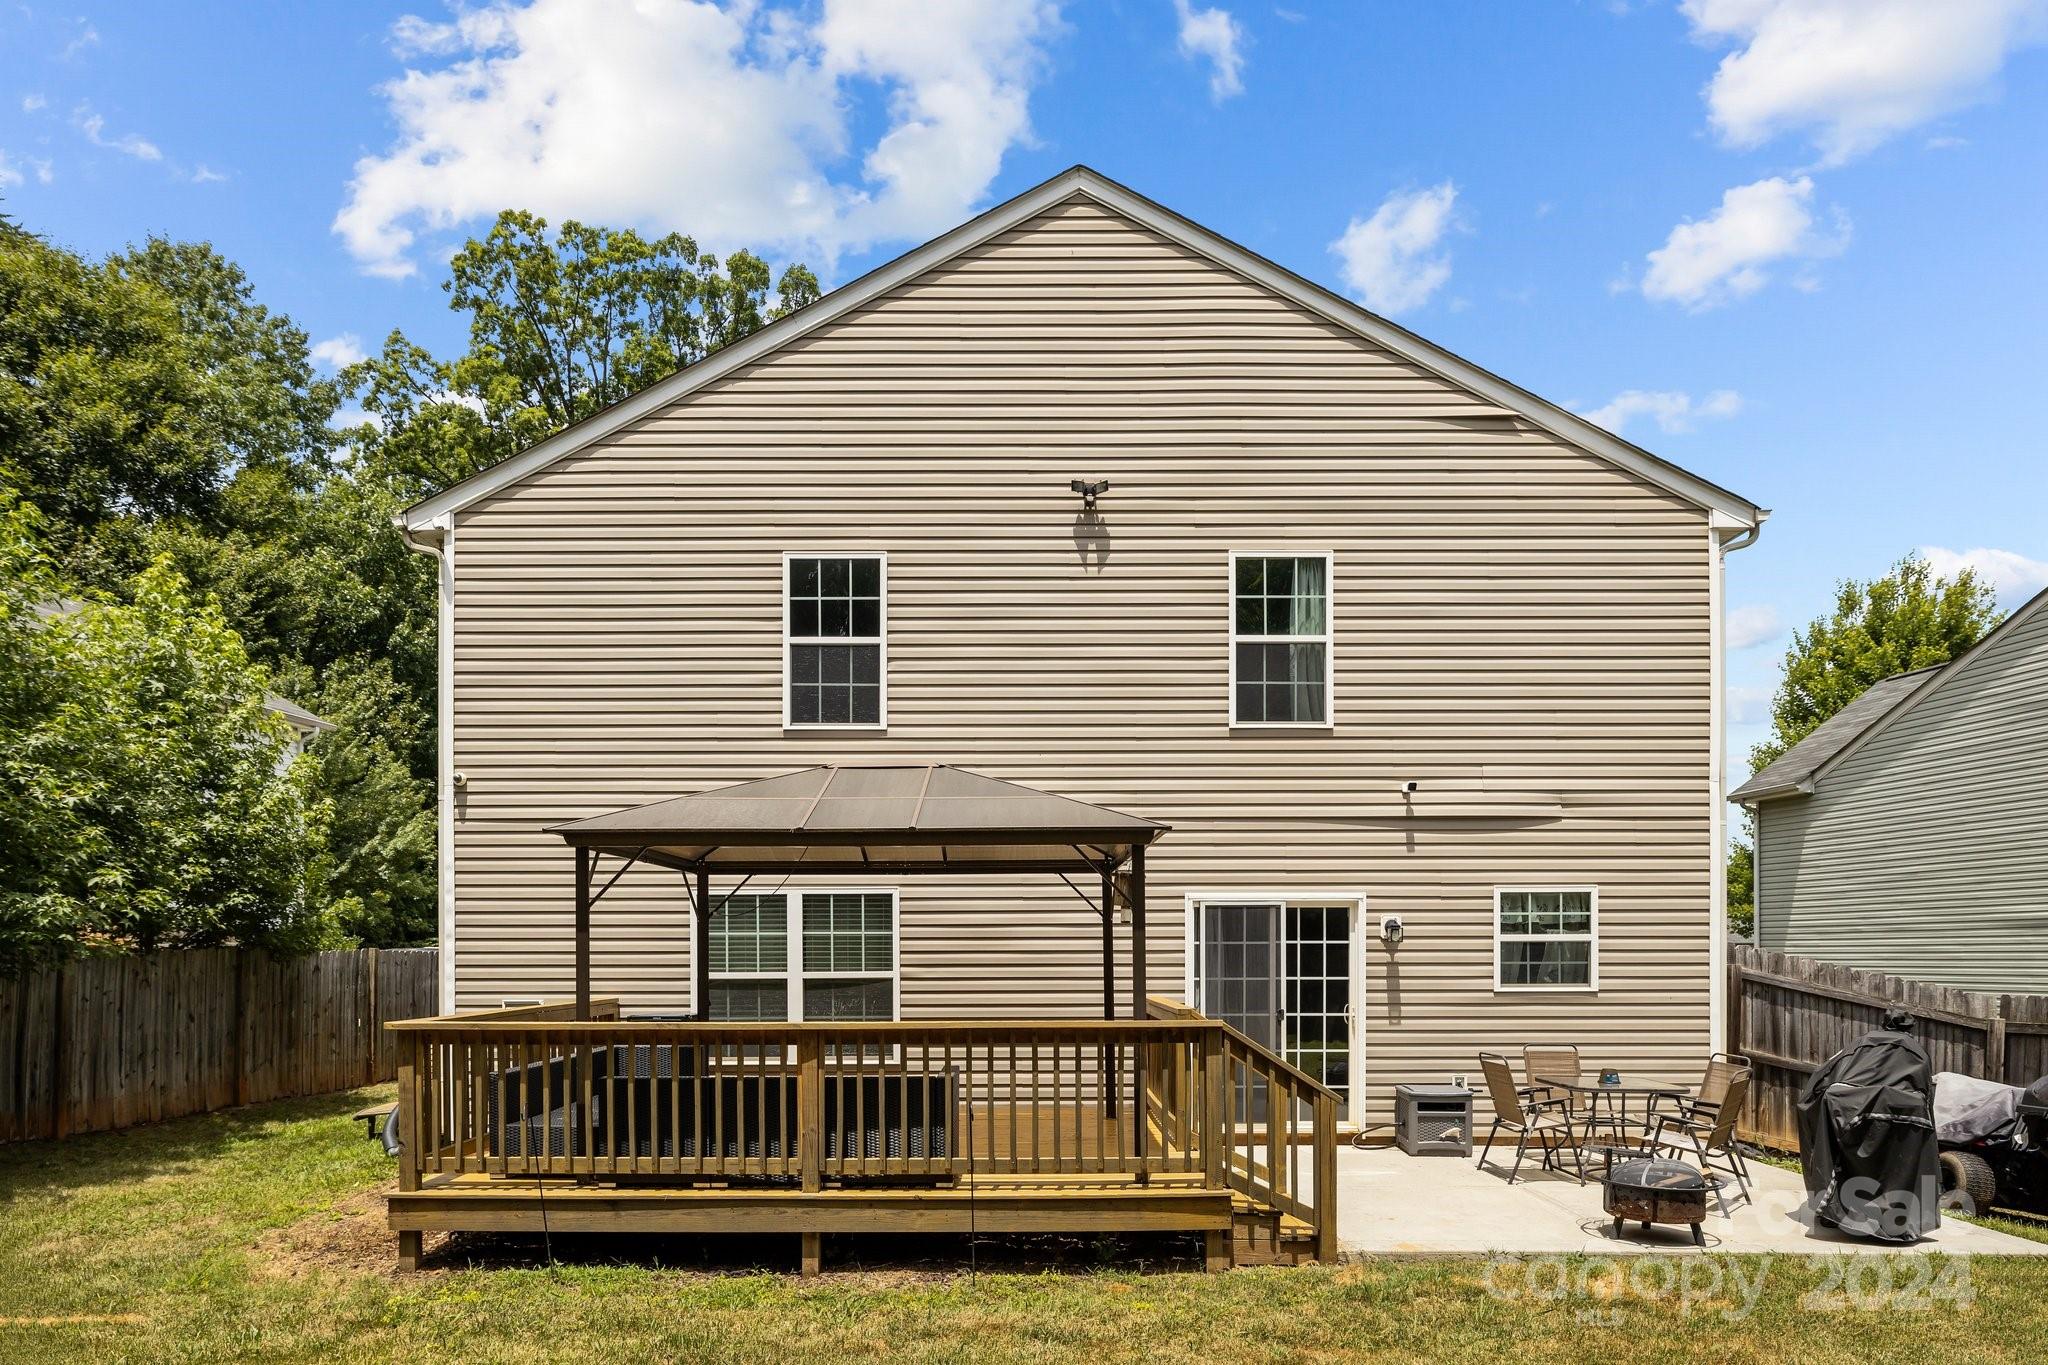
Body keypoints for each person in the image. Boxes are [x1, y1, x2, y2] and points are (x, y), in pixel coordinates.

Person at [1794, 1008, 1941, 1242]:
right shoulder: (1918, 1053)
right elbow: (1925, 1094)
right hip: (1904, 1130)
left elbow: (1825, 1076)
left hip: (1853, 1120)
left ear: (1884, 1023)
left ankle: (1835, 1209)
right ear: (1910, 1028)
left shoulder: (1862, 1044)